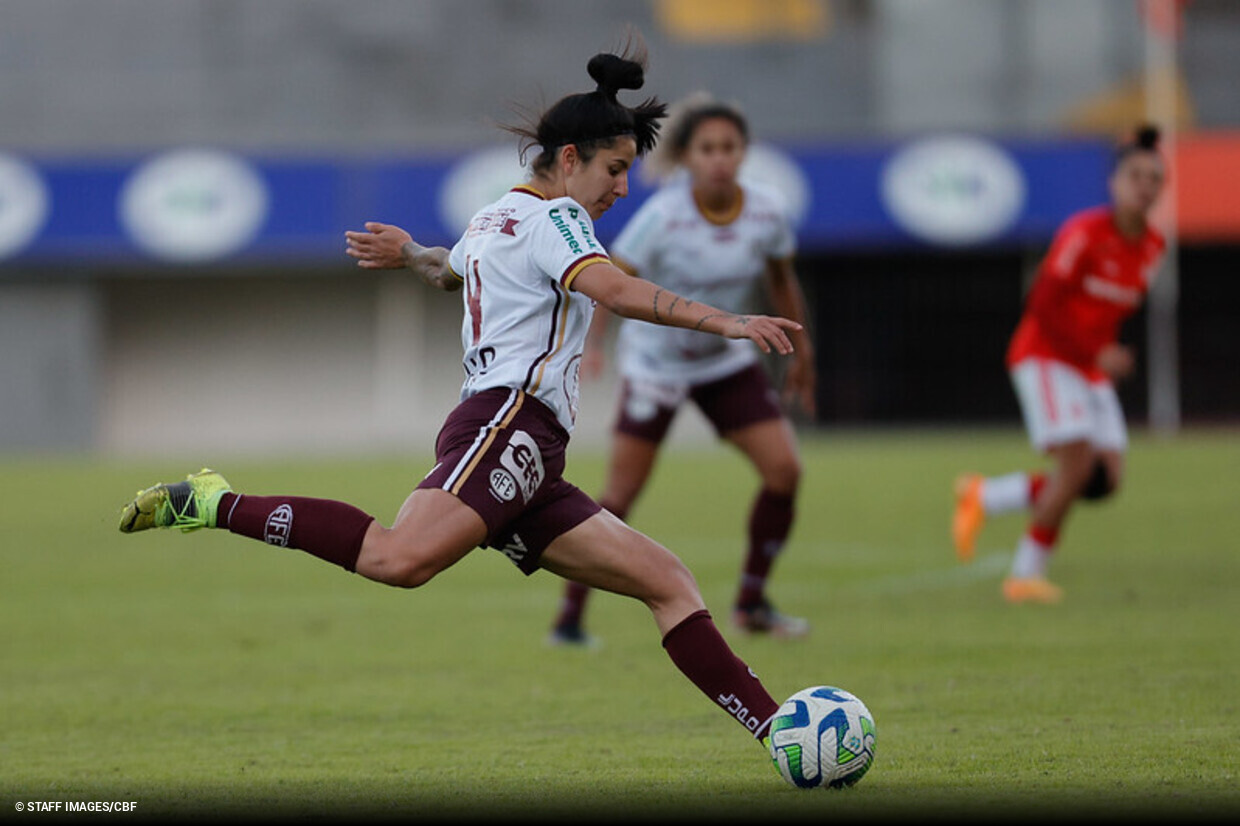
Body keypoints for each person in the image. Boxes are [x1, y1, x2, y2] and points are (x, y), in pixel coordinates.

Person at [118, 45, 805, 753]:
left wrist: (414, 251)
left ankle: (779, 732)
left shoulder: (494, 218)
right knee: (398, 560)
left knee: (667, 581)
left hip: (531, 448)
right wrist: (725, 319)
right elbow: (618, 291)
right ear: (569, 159)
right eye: (615, 169)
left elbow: (450, 271)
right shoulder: (559, 221)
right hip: (506, 422)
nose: (623, 188)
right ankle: (210, 503)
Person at [546, 93, 816, 646]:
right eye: (707, 149)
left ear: (744, 154)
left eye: (729, 148)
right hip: (656, 366)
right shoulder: (663, 216)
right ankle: (569, 620)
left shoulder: (766, 211)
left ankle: (752, 603)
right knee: (619, 496)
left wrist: (802, 358)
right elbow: (607, 282)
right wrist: (590, 347)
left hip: (723, 362)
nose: (719, 159)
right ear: (688, 157)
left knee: (785, 471)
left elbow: (784, 283)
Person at [951, 125, 1167, 604]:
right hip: (1045, 355)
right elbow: (1044, 305)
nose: (1144, 185)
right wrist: (1097, 352)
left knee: (1104, 480)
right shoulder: (1084, 233)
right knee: (1075, 466)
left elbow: (1104, 312)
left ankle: (986, 496)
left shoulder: (1153, 247)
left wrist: (1106, 353)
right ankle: (1024, 575)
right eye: (1135, 175)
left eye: (1154, 178)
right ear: (1114, 182)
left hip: (1087, 365)